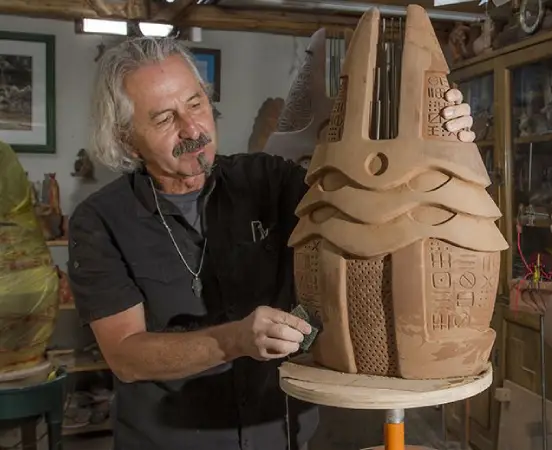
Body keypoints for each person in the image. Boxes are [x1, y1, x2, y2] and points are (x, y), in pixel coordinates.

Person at [67, 36, 476, 450]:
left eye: (195, 103)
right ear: (124, 137)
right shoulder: (100, 221)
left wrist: (440, 142)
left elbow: (367, 202)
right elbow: (126, 355)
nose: (193, 129)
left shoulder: (268, 182)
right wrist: (235, 340)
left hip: (281, 434)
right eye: (164, 118)